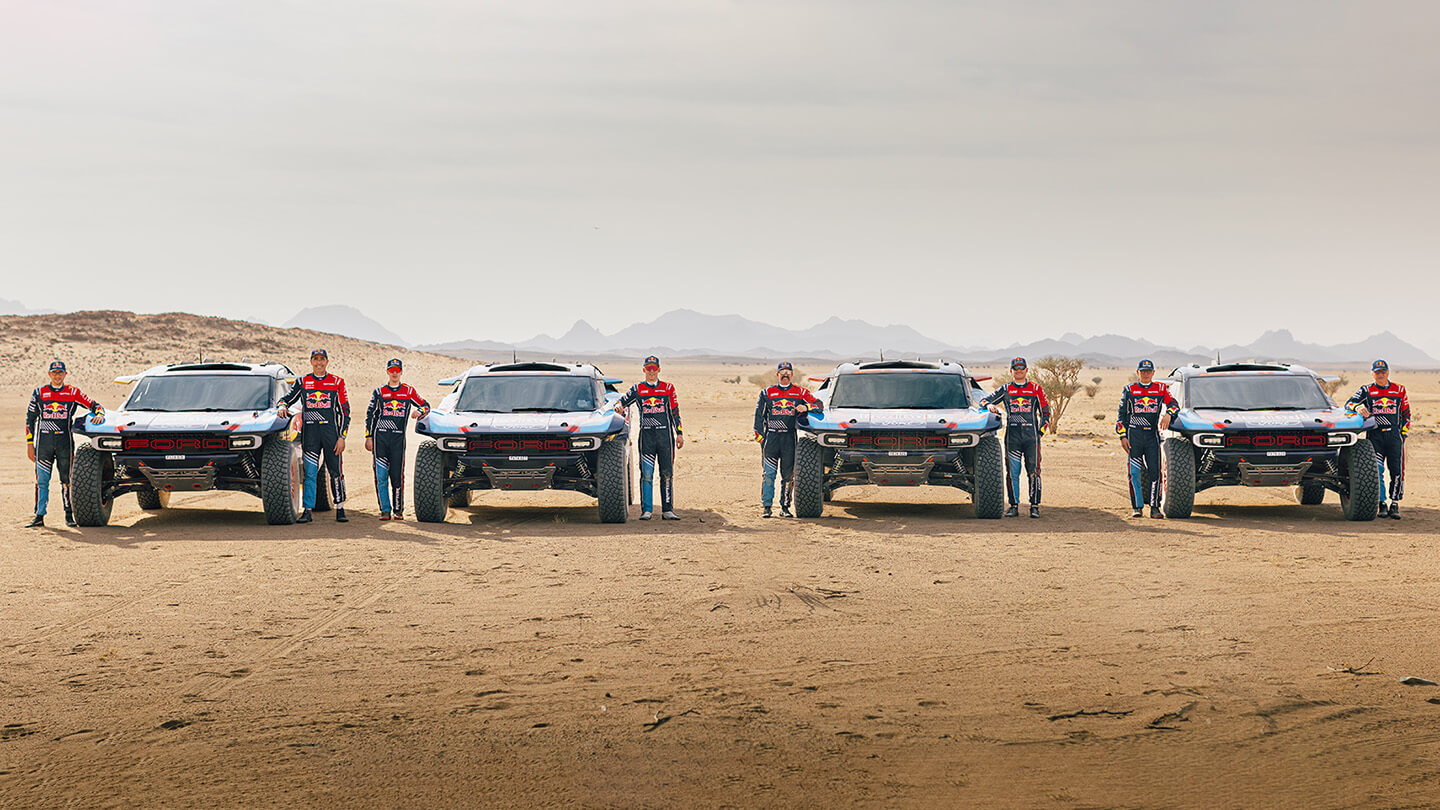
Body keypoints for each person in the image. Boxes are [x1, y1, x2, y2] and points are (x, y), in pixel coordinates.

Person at [25, 361, 105, 528]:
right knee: (42, 480)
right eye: (54, 373)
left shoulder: (73, 392)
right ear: (49, 374)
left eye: (60, 373)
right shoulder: (39, 393)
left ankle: (69, 516)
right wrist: (29, 444)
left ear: (65, 374)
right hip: (43, 445)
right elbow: (29, 419)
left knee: (66, 480)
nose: (57, 376)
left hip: (64, 444)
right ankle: (39, 516)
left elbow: (95, 405)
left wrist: (100, 415)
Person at [278, 349, 350, 523]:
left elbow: (345, 413)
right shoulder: (303, 381)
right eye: (315, 359)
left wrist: (342, 437)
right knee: (310, 473)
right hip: (310, 435)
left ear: (327, 362)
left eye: (322, 359)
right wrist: (281, 406)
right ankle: (307, 510)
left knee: (335, 471)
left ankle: (340, 508)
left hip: (331, 435)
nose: (319, 362)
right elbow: (287, 398)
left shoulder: (337, 382)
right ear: (311, 362)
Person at [612, 355, 684, 520]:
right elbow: (622, 401)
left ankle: (667, 510)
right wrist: (618, 405)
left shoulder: (668, 388)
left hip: (665, 437)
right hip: (647, 437)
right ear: (644, 370)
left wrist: (679, 433)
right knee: (647, 474)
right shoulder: (638, 389)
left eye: (654, 368)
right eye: (648, 368)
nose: (651, 371)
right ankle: (647, 511)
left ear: (659, 370)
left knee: (667, 473)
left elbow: (675, 412)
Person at [981, 357, 1050, 518]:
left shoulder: (1035, 389)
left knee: (1034, 472)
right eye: (1015, 368)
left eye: (1022, 368)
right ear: (1011, 371)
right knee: (1013, 473)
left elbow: (1046, 413)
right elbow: (983, 400)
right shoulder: (1006, 389)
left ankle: (1034, 506)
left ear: (1026, 370)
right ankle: (1013, 506)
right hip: (1012, 438)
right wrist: (989, 405)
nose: (1019, 370)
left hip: (1032, 439)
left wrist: (1040, 433)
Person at [753, 361, 822, 518]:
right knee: (769, 473)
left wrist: (807, 408)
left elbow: (819, 405)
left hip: (789, 438)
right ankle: (767, 507)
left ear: (792, 375)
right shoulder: (767, 393)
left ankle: (785, 507)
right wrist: (760, 437)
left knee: (787, 475)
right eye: (782, 372)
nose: (785, 375)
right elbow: (759, 416)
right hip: (771, 438)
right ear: (777, 374)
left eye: (788, 372)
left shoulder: (800, 392)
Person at [365, 359, 429, 521]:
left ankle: (398, 510)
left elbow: (426, 405)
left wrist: (419, 412)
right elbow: (370, 414)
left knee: (397, 476)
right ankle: (385, 510)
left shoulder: (408, 391)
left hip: (398, 440)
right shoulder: (379, 392)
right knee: (380, 476)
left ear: (401, 372)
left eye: (397, 370)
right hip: (380, 439)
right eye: (391, 370)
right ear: (387, 372)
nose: (394, 373)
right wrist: (368, 437)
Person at [1346, 359, 1410, 519]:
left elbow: (1407, 415)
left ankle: (1395, 503)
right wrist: (1358, 407)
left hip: (1395, 436)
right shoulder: (1366, 389)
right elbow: (1348, 404)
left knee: (1397, 471)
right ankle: (1381, 503)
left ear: (1388, 372)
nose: (1380, 374)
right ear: (1372, 373)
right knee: (1377, 470)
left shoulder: (1399, 390)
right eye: (1377, 372)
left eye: (1383, 371)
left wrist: (1403, 433)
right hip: (1375, 436)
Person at [1116, 359, 1178, 518]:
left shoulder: (1161, 388)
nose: (1145, 374)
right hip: (1133, 436)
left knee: (1154, 473)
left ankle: (1155, 507)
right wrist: (1122, 436)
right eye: (1142, 371)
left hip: (1152, 435)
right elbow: (1121, 416)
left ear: (1153, 373)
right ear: (1138, 373)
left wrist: (1168, 415)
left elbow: (1174, 404)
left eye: (1148, 371)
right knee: (1134, 473)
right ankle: (1137, 507)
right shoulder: (1129, 389)